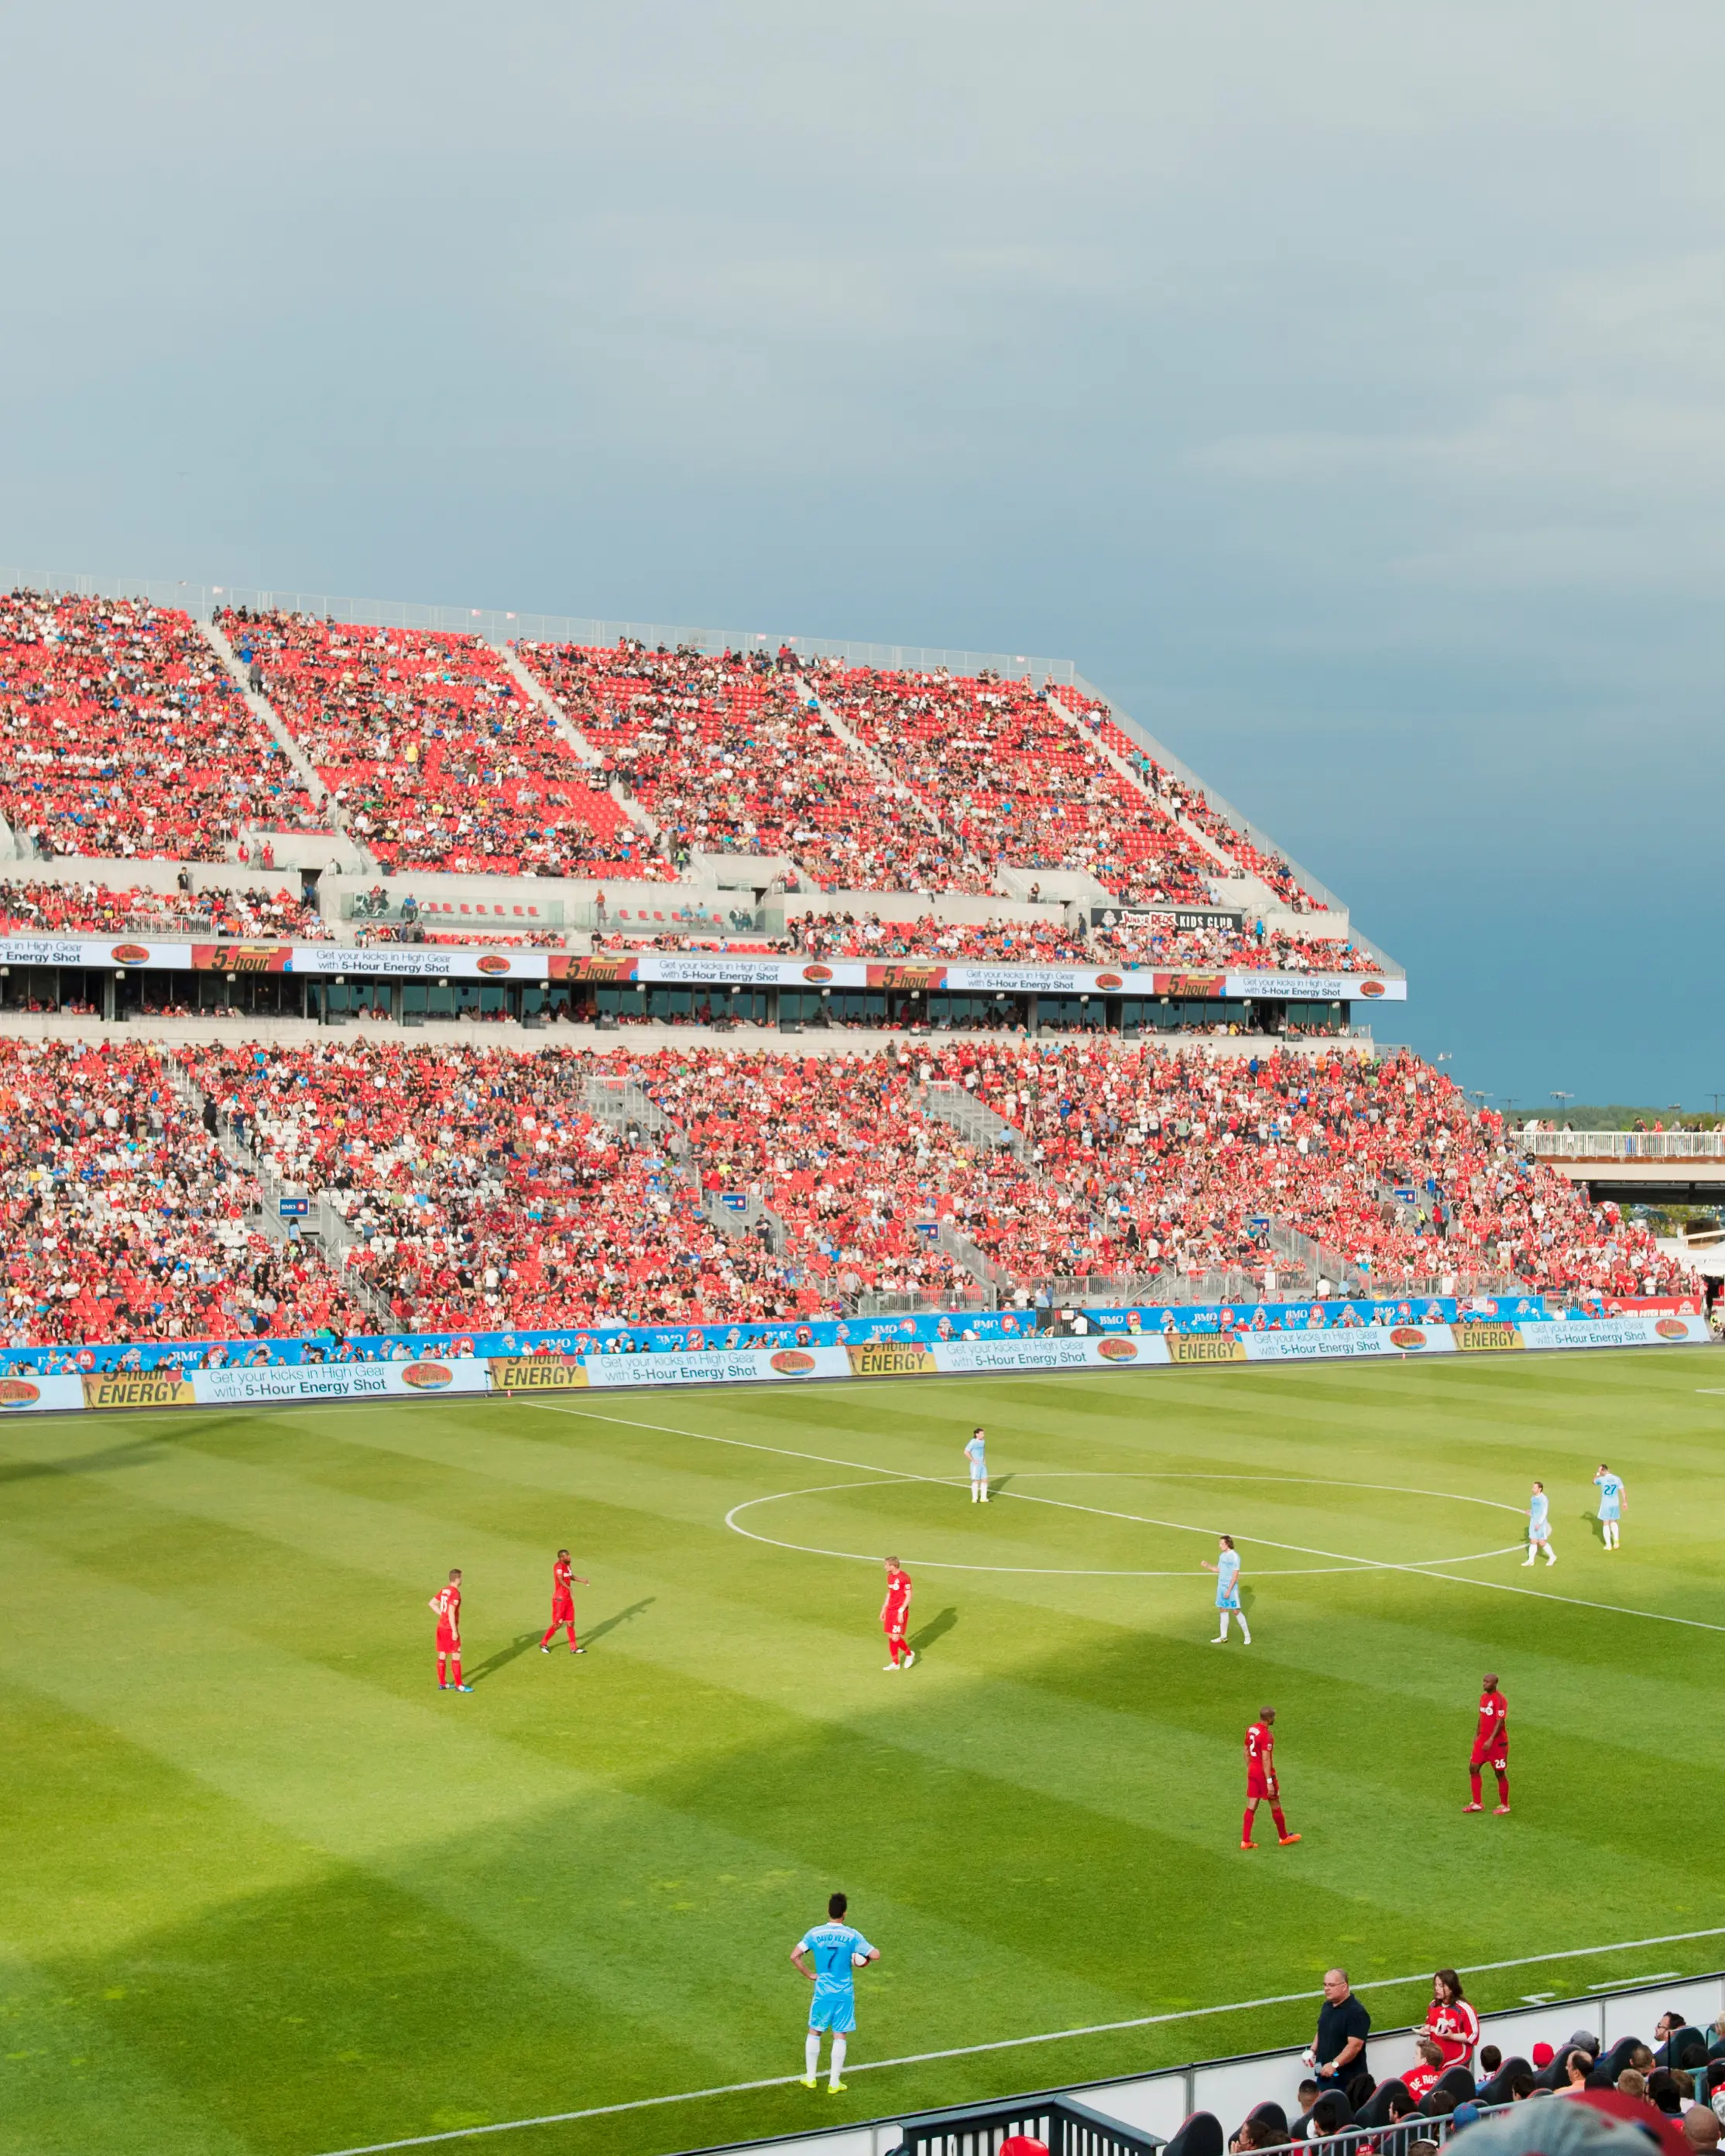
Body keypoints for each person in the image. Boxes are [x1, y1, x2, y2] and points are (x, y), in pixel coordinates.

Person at [790, 1890, 878, 2093]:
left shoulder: (815, 1934)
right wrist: (859, 1958)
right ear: (844, 1913)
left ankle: (810, 2078)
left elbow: (794, 1956)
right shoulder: (852, 1935)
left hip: (823, 1993)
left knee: (815, 2031)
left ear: (828, 1911)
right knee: (840, 2035)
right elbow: (876, 1954)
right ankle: (834, 2083)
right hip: (844, 1994)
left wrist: (810, 1974)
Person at [1302, 1968, 1370, 2094]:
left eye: (1331, 1985)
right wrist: (1312, 2049)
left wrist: (1334, 2065)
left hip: (1349, 2083)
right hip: (1325, 2077)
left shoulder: (1356, 2013)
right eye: (1325, 1985)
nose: (1326, 1988)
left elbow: (1355, 2046)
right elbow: (1322, 2028)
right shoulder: (1327, 2006)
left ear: (1344, 1986)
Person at [1242, 1706, 1299, 1849]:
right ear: (1269, 1719)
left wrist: (1251, 1767)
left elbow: (1246, 1750)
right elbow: (1266, 1759)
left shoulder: (1251, 1730)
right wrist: (1269, 1782)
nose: (1275, 1719)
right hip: (1263, 1772)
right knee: (1275, 1803)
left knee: (1252, 1805)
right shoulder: (1267, 1735)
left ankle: (1246, 1841)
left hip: (1252, 1769)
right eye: (1274, 1717)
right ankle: (1284, 1837)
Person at [1465, 1673, 1510, 1814]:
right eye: (1484, 1681)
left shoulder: (1500, 1700)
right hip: (1482, 1741)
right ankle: (1477, 1803)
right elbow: (1482, 1716)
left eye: (1488, 1682)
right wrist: (1477, 1734)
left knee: (1499, 1773)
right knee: (1473, 1768)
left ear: (1495, 1684)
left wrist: (1491, 1740)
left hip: (1497, 1745)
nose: (1484, 1684)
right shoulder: (1483, 1698)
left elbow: (1500, 1720)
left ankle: (1505, 1805)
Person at [1428, 1968, 1480, 2070]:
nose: (1436, 1988)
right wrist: (1426, 2029)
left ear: (1451, 1988)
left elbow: (1473, 2035)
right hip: (1436, 2061)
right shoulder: (1433, 2006)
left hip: (1457, 2061)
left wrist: (1452, 2036)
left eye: (1441, 1986)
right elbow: (1432, 2027)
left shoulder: (1464, 2009)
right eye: (1435, 1985)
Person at [540, 1547, 590, 1654]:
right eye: (567, 1555)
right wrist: (569, 1588)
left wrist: (582, 1580)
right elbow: (560, 1579)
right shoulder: (558, 1566)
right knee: (558, 1624)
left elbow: (570, 1576)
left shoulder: (568, 1565)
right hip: (560, 1599)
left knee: (571, 1623)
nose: (569, 1557)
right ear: (562, 1557)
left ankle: (574, 1648)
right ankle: (543, 1643)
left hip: (568, 1599)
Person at [1205, 1534, 1252, 1645]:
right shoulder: (1222, 1556)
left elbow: (1235, 1575)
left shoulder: (1235, 1557)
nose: (1220, 1546)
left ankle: (1247, 1636)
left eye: (1222, 1543)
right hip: (1221, 1586)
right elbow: (1219, 1569)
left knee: (1236, 1611)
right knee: (1223, 1609)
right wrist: (1208, 1566)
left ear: (1227, 1544)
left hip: (1230, 1588)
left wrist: (1229, 1590)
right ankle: (1223, 1637)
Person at [430, 1568, 471, 1692]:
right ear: (457, 1579)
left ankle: (442, 1683)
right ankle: (459, 1685)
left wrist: (442, 1615)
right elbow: (451, 1612)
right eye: (461, 1577)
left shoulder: (444, 1590)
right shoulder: (455, 1593)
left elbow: (431, 1603)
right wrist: (454, 1631)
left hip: (441, 1626)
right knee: (456, 1654)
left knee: (442, 1653)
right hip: (448, 1628)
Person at [882, 1556, 915, 1671]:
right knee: (890, 1636)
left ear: (893, 1565)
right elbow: (890, 1593)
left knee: (896, 1638)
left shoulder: (904, 1577)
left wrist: (901, 1611)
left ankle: (909, 1654)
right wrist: (884, 1609)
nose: (885, 1567)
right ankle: (895, 1663)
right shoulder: (890, 1577)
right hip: (890, 1610)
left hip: (899, 1610)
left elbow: (909, 1595)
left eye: (886, 1565)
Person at [1594, 1462, 1626, 1551]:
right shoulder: (1617, 1479)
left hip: (1606, 1504)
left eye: (1600, 1470)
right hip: (1615, 1504)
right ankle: (1616, 1540)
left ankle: (1608, 1545)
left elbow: (1594, 1481)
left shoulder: (1602, 1479)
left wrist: (1597, 1474)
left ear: (1602, 1471)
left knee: (1606, 1523)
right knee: (1614, 1522)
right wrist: (1625, 1502)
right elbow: (1623, 1491)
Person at [1406, 2036, 1447, 2103]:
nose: (1413, 2057)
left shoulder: (1408, 2076)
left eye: (1416, 2054)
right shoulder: (1444, 2078)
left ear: (1424, 2060)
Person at [1525, 1481, 1556, 1566]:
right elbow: (1535, 1510)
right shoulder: (1533, 1498)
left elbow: (1544, 1512)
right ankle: (1531, 1561)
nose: (1533, 1489)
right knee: (1533, 1541)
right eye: (1533, 1487)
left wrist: (1539, 1523)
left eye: (1535, 1488)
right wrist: (1530, 1512)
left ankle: (1552, 1556)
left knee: (1542, 1542)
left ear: (1540, 1489)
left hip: (1541, 1524)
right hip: (1533, 1522)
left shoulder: (1544, 1499)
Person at [965, 1426, 989, 1503]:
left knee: (985, 1480)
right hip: (976, 1465)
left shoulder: (983, 1441)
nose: (983, 1435)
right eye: (982, 1434)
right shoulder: (973, 1442)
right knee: (976, 1481)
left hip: (982, 1464)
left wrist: (984, 1459)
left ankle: (983, 1498)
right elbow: (966, 1452)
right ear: (977, 1434)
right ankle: (974, 1499)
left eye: (983, 1433)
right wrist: (972, 1460)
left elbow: (983, 1451)